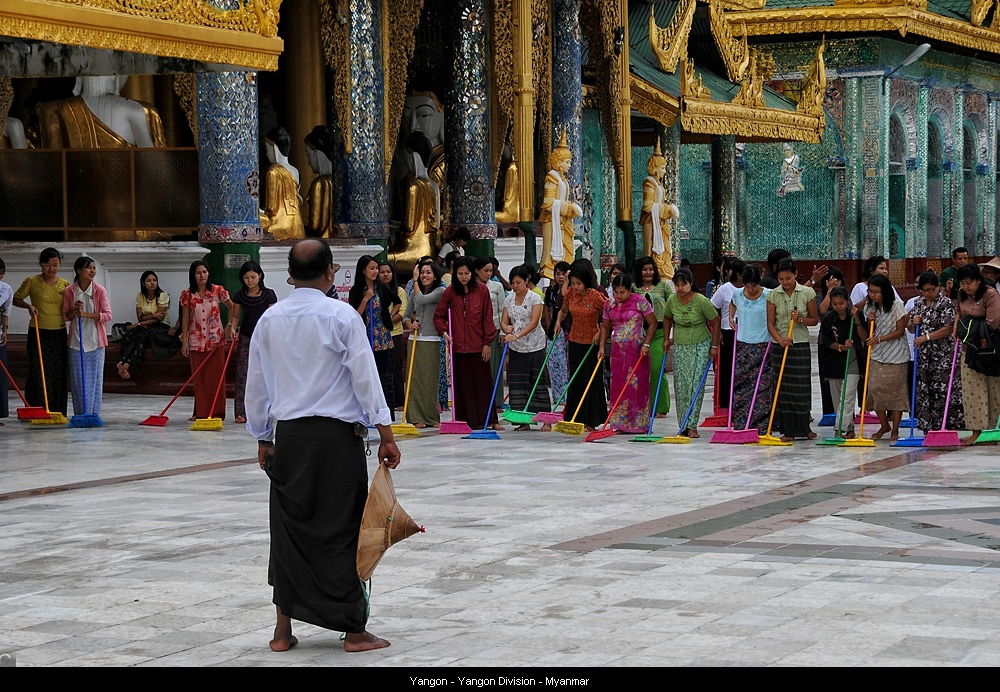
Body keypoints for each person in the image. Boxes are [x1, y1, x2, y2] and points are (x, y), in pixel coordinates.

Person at [246, 238, 399, 654]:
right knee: (343, 528)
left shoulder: (270, 319)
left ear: (290, 275)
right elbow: (365, 378)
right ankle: (353, 631)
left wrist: (263, 435)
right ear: (331, 272)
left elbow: (256, 385)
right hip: (336, 439)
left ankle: (282, 631)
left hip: (290, 439)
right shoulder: (341, 316)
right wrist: (385, 431)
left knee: (289, 531)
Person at [433, 256, 502, 431]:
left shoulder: (482, 290)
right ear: (455, 274)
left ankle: (490, 419)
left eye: (467, 273)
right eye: (460, 273)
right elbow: (439, 316)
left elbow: (487, 318)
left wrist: (487, 343)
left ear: (472, 273)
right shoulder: (449, 292)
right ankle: (466, 420)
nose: (464, 277)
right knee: (462, 386)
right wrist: (444, 332)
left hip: (479, 346)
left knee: (483, 384)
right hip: (458, 347)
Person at [766, 258, 819, 441]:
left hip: (800, 344)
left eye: (788, 278)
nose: (785, 282)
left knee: (801, 387)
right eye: (781, 279)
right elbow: (770, 324)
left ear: (795, 274)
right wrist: (780, 340)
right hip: (780, 346)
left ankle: (804, 427)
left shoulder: (807, 293)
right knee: (783, 388)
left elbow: (815, 319)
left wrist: (800, 320)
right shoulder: (773, 295)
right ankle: (787, 430)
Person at [13, 247, 70, 415]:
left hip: (59, 333)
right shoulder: (32, 281)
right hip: (38, 332)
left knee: (58, 371)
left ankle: (56, 409)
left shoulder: (65, 285)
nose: (51, 269)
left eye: (55, 265)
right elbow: (16, 299)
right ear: (40, 264)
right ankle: (36, 409)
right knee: (38, 370)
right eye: (47, 265)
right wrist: (28, 306)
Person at [664, 268, 720, 437]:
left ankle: (692, 425)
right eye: (677, 284)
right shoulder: (672, 300)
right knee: (681, 386)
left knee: (695, 384)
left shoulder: (701, 301)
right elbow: (667, 318)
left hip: (700, 345)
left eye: (684, 284)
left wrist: (714, 346)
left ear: (690, 283)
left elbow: (715, 322)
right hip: (681, 345)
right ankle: (683, 425)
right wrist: (667, 339)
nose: (680, 288)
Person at [553, 259, 608, 431]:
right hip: (575, 341)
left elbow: (609, 313)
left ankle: (591, 421)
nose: (575, 286)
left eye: (579, 283)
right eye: (573, 283)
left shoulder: (595, 296)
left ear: (586, 282)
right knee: (576, 380)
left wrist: (600, 331)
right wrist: (557, 322)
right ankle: (575, 418)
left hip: (592, 343)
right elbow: (563, 310)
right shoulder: (570, 293)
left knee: (590, 381)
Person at [598, 275, 656, 434]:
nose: (618, 296)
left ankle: (639, 424)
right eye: (616, 292)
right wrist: (602, 347)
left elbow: (653, 323)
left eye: (622, 292)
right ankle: (619, 424)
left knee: (637, 387)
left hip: (637, 349)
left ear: (630, 290)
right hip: (617, 351)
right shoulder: (609, 304)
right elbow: (605, 327)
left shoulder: (640, 301)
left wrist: (646, 344)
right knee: (618, 386)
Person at [908, 271, 963, 435]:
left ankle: (944, 426)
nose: (927, 293)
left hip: (942, 356)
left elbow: (948, 328)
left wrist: (926, 337)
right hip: (924, 357)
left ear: (938, 287)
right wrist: (913, 322)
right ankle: (928, 427)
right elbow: (910, 328)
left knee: (942, 391)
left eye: (931, 289)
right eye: (924, 290)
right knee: (925, 390)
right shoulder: (918, 304)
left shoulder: (945, 304)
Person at [857, 273, 910, 441]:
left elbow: (900, 331)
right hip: (877, 354)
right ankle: (884, 425)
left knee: (896, 394)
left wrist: (879, 339)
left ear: (884, 292)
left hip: (897, 355)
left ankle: (895, 429)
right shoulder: (869, 307)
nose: (873, 295)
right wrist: (868, 321)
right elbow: (869, 332)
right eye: (870, 291)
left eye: (876, 292)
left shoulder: (896, 305)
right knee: (874, 390)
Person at [180, 260, 234, 421]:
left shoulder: (218, 291)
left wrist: (229, 325)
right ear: (193, 276)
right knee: (200, 378)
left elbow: (232, 307)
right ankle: (201, 413)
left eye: (204, 272)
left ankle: (216, 413)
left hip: (215, 340)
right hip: (196, 341)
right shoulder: (187, 294)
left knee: (215, 378)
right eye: (198, 273)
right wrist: (184, 340)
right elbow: (184, 318)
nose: (202, 276)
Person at [349, 255, 401, 421]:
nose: (375, 271)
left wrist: (390, 316)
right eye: (372, 268)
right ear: (363, 270)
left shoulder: (382, 288)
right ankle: (368, 413)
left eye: (376, 268)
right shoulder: (356, 290)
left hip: (382, 338)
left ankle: (386, 414)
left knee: (385, 376)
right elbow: (355, 315)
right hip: (365, 337)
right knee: (368, 376)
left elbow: (397, 301)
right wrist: (365, 299)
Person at [955, 263, 1000, 445]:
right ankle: (976, 432)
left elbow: (993, 322)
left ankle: (992, 431)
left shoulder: (990, 294)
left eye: (969, 283)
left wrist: (969, 325)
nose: (966, 287)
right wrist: (957, 327)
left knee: (994, 391)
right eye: (963, 283)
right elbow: (959, 314)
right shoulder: (961, 294)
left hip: (991, 350)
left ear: (978, 281)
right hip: (970, 350)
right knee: (972, 392)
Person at [502, 265, 552, 430]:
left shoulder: (534, 298)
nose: (515, 286)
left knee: (536, 381)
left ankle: (545, 419)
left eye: (518, 282)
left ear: (526, 281)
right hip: (516, 346)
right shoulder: (509, 299)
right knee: (518, 383)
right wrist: (506, 328)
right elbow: (504, 321)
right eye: (513, 283)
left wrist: (516, 335)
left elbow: (533, 322)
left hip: (534, 345)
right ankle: (523, 420)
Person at [61, 256, 112, 418]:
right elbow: (65, 316)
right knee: (78, 380)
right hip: (77, 341)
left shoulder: (99, 290)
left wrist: (86, 314)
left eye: (94, 268)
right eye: (88, 268)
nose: (92, 271)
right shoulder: (70, 291)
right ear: (78, 271)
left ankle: (93, 414)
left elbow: (107, 315)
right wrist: (75, 311)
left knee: (95, 380)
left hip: (96, 341)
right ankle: (81, 414)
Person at [230, 261, 278, 424]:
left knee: (267, 373)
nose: (250, 281)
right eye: (246, 278)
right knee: (242, 373)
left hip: (265, 338)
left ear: (260, 276)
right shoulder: (239, 295)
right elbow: (236, 316)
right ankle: (241, 412)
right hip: (246, 336)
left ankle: (270, 409)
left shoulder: (269, 294)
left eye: (253, 277)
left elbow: (273, 317)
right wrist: (232, 327)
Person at [729, 264, 772, 433]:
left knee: (761, 388)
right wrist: (731, 317)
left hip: (763, 345)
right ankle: (741, 423)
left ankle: (760, 426)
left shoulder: (768, 295)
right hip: (742, 346)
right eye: (747, 285)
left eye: (753, 285)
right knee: (741, 387)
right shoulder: (738, 294)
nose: (750, 289)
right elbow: (732, 304)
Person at [116, 271, 180, 381]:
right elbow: (140, 317)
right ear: (143, 283)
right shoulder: (140, 296)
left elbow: (159, 319)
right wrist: (152, 316)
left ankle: (125, 366)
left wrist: (142, 321)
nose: (152, 283)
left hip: (160, 326)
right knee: (128, 336)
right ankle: (123, 361)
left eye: (154, 280)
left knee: (142, 337)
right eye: (149, 281)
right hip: (145, 325)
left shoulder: (163, 295)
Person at [405, 260, 445, 428]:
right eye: (422, 273)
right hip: (414, 340)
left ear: (435, 275)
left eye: (428, 272)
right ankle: (415, 417)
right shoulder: (416, 292)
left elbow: (420, 300)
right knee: (414, 381)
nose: (424, 276)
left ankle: (431, 417)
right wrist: (410, 325)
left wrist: (414, 281)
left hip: (431, 340)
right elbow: (407, 316)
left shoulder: (440, 291)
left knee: (430, 379)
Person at [819, 286, 861, 438]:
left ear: (848, 301)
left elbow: (863, 335)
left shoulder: (855, 315)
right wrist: (841, 347)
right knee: (838, 400)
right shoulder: (828, 318)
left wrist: (856, 320)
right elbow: (826, 341)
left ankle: (838, 430)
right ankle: (849, 429)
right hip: (834, 362)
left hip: (852, 361)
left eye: (841, 303)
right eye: (835, 304)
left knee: (847, 397)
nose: (838, 307)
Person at [633, 256, 672, 418]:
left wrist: (670, 336)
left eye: (651, 269)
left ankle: (660, 406)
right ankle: (642, 405)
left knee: (657, 369)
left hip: (659, 332)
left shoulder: (663, 286)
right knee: (639, 372)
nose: (648, 272)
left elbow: (671, 308)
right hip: (639, 332)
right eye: (645, 269)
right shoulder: (634, 287)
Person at [711, 258, 745, 412]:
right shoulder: (725, 289)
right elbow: (712, 309)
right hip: (727, 332)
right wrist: (716, 332)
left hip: (744, 332)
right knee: (726, 369)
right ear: (738, 275)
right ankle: (725, 404)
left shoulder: (749, 289)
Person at [813, 266, 845, 423]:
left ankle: (845, 413)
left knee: (843, 378)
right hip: (824, 342)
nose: (834, 283)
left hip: (843, 342)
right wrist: (829, 292)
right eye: (831, 280)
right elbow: (822, 311)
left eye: (836, 280)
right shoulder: (820, 297)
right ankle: (828, 412)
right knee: (826, 377)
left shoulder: (846, 298)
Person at [475, 256, 506, 411]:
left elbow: (502, 309)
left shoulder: (497, 286)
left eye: (490, 271)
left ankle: (496, 401)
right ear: (477, 271)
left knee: (494, 366)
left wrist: (502, 331)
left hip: (494, 329)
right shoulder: (472, 286)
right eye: (485, 271)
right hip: (476, 331)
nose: (488, 274)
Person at [378, 261, 408, 411]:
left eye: (388, 272)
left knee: (395, 366)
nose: (385, 274)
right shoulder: (374, 290)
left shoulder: (399, 291)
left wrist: (386, 322)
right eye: (382, 272)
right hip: (378, 335)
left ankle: (399, 401)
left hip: (394, 333)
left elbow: (402, 313)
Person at [543, 261, 572, 402]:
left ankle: (568, 395)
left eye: (563, 274)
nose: (560, 277)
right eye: (557, 274)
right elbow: (548, 310)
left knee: (566, 363)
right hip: (554, 329)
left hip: (569, 328)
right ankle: (557, 395)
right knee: (554, 361)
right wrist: (550, 326)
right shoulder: (551, 290)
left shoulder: (572, 290)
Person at [0, 257, 11, 424]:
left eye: (2, 274)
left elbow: (5, 311)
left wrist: (5, 330)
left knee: (1, 375)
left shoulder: (6, 289)